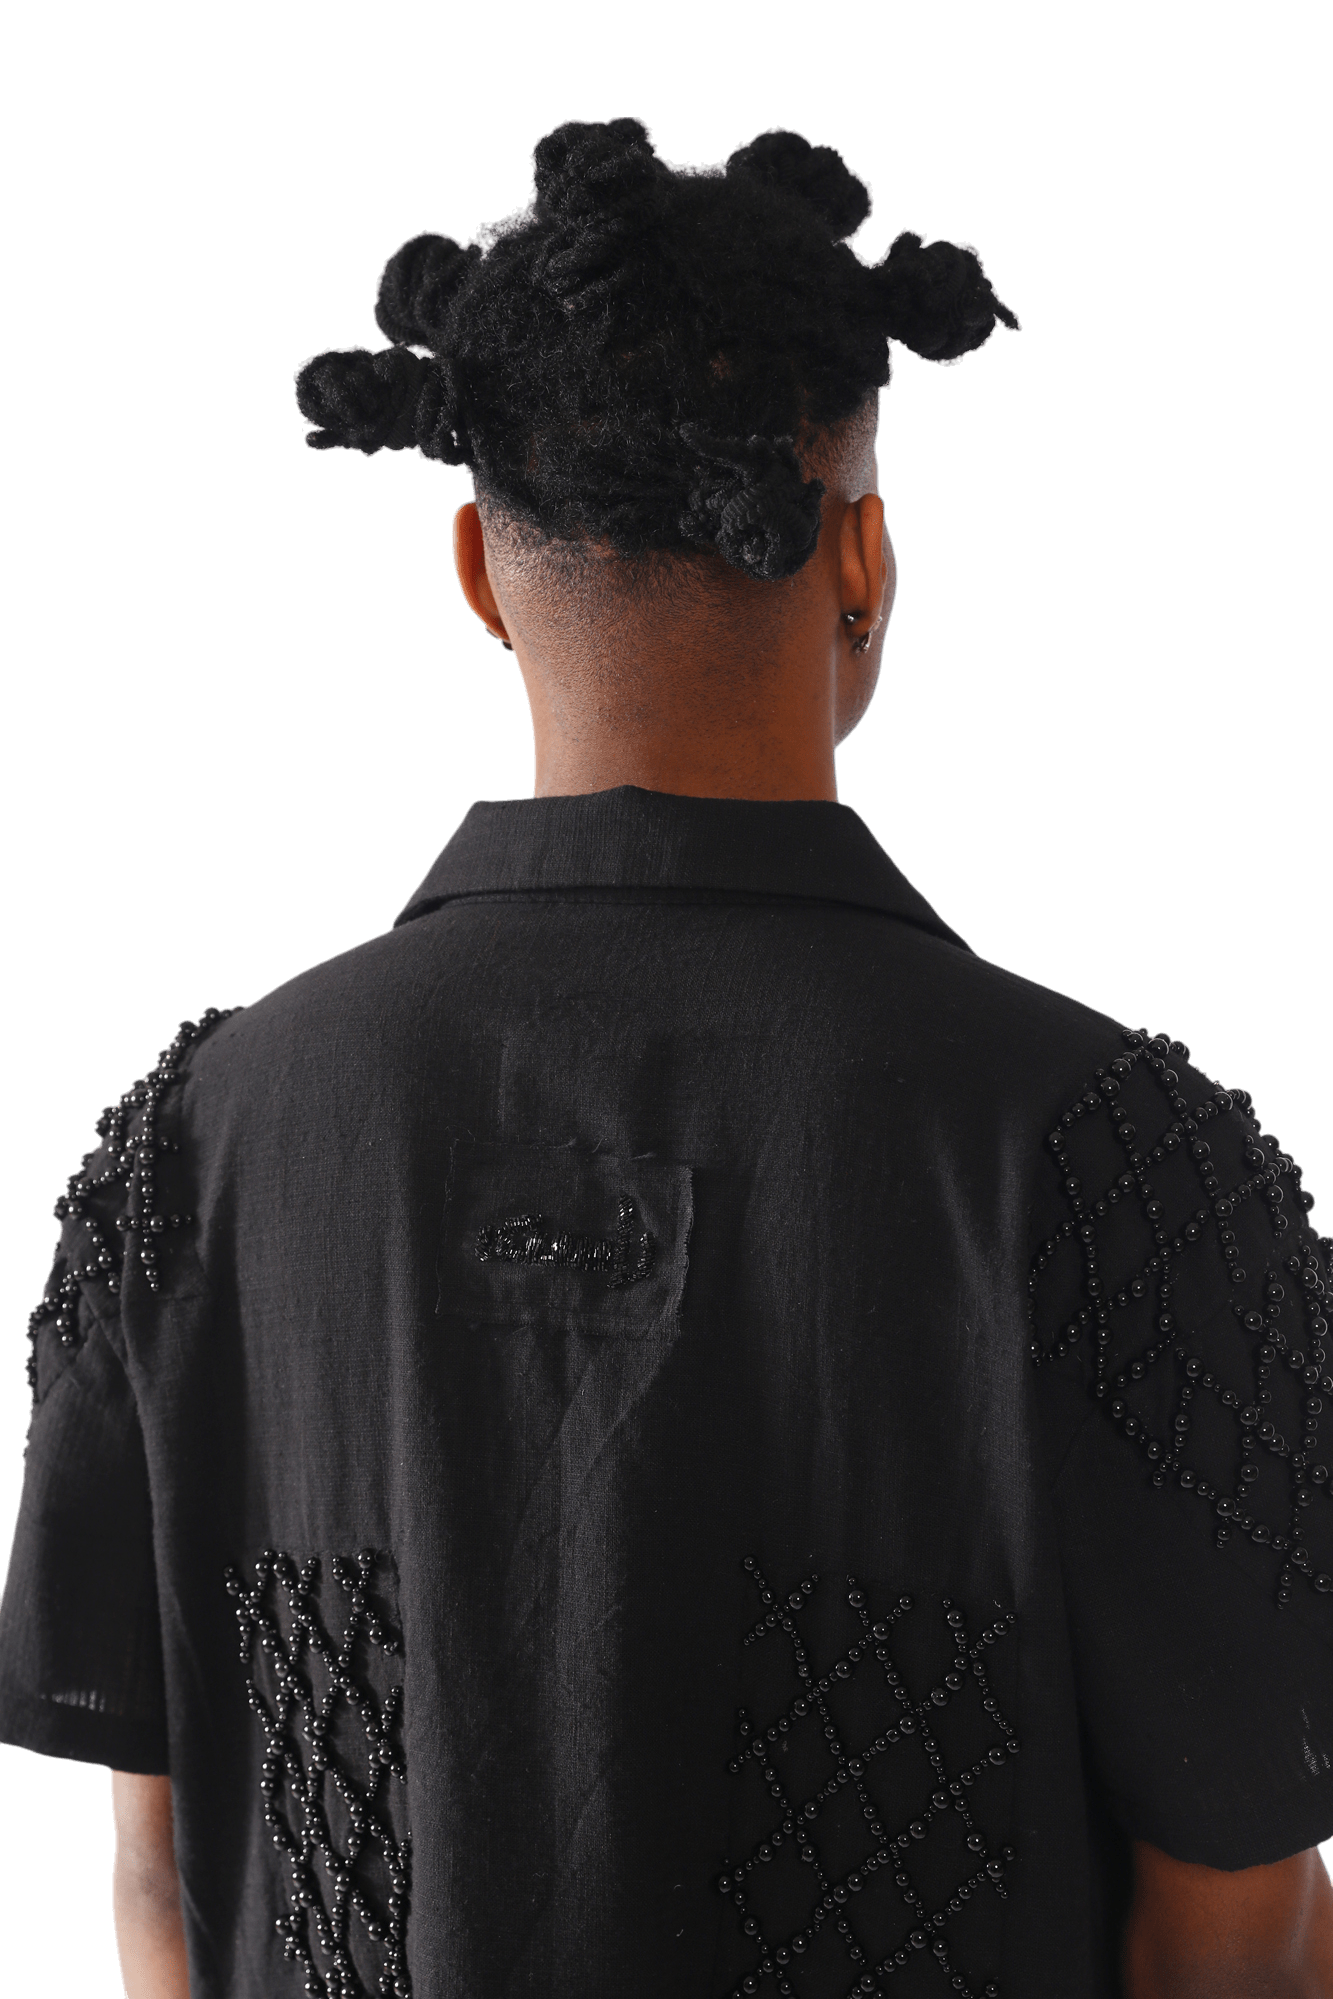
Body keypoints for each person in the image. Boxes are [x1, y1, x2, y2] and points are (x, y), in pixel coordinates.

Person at [1, 115, 1330, 1999]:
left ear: (479, 568)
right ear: (861, 553)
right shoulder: (1126, 1165)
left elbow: (162, 1898)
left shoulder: (186, 1157)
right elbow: (1241, 1943)